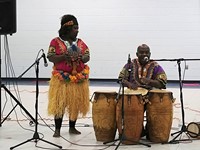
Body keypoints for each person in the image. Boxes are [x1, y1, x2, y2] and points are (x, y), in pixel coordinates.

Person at [47, 14, 90, 137]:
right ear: (67, 29)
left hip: (78, 80)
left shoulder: (80, 42)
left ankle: (72, 127)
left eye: (78, 28)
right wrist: (63, 57)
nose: (77, 31)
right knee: (59, 104)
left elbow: (87, 57)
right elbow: (50, 57)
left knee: (75, 104)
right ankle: (57, 129)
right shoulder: (55, 42)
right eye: (75, 28)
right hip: (62, 80)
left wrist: (82, 57)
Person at [118, 44, 167, 138]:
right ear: (137, 54)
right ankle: (134, 130)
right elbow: (121, 79)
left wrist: (150, 82)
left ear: (150, 54)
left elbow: (163, 83)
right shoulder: (130, 64)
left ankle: (151, 130)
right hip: (133, 95)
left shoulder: (155, 65)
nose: (144, 54)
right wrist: (129, 84)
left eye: (146, 52)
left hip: (149, 95)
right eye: (141, 52)